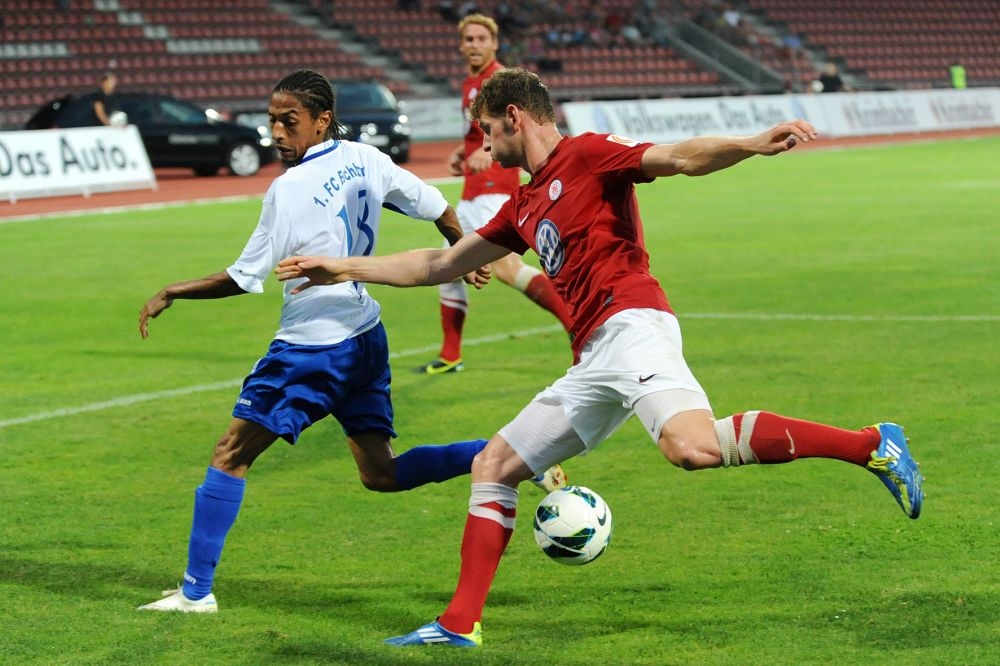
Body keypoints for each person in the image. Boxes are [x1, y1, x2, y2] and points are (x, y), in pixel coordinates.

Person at [275, 67, 926, 647]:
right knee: (494, 466)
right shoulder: (524, 203)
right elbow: (440, 263)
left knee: (691, 448)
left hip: (633, 323)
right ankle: (458, 625)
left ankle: (872, 444)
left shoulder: (586, 155)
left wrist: (752, 143)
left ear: (514, 117)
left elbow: (680, 157)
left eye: (488, 134)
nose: (485, 149)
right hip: (593, 355)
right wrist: (344, 266)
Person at [135, 69, 563, 614]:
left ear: (322, 120)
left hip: (311, 347)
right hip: (365, 337)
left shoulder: (288, 188)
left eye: (289, 121)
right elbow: (437, 205)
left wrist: (173, 290)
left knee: (230, 454)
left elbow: (244, 277)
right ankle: (504, 454)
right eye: (271, 121)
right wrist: (463, 254)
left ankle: (196, 593)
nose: (277, 132)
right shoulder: (365, 159)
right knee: (381, 473)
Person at [417, 14, 572, 375]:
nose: (474, 45)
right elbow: (478, 132)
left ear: (494, 43)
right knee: (450, 266)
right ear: (461, 45)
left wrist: (487, 151)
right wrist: (464, 149)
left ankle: (576, 326)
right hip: (472, 192)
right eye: (468, 39)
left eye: (481, 39)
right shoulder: (470, 82)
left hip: (495, 190)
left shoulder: (500, 80)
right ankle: (450, 355)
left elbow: (523, 125)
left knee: (506, 269)